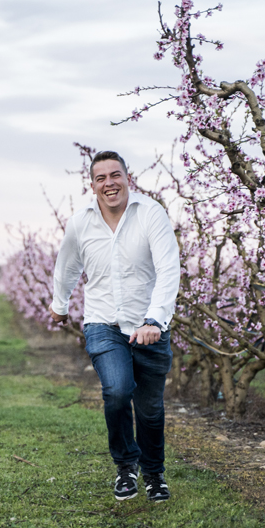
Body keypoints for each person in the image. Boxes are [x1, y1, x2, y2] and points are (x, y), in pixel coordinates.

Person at [50, 151, 181, 502]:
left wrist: (155, 319)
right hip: (102, 323)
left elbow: (169, 269)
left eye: (115, 175)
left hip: (149, 324)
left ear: (127, 177)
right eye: (101, 178)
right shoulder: (81, 222)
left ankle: (154, 475)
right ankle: (126, 467)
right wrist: (59, 306)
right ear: (92, 185)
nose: (109, 183)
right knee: (118, 391)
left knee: (150, 408)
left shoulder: (151, 213)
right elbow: (67, 267)